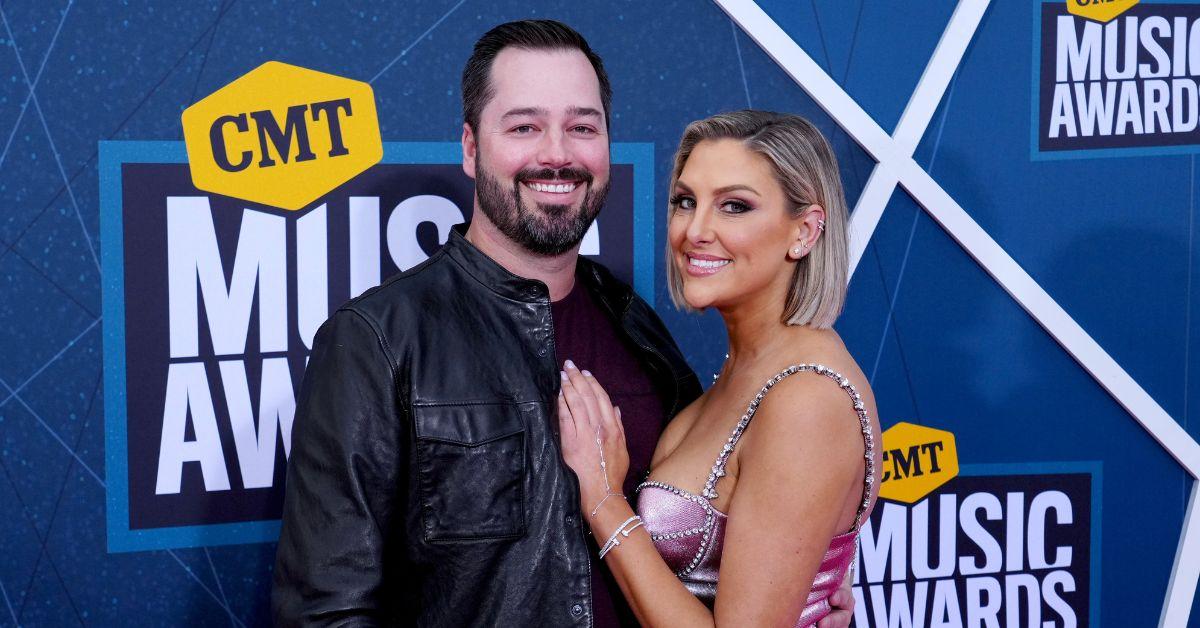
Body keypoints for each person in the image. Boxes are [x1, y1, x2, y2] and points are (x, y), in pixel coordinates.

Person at [273, 19, 856, 626]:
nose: (557, 153)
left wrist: (806, 590)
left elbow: (715, 536)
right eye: (525, 127)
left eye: (582, 127)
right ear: (471, 148)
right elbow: (324, 614)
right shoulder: (379, 341)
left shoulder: (636, 325)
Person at [557, 110, 882, 627]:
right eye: (686, 201)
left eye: (734, 206)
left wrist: (603, 499)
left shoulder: (807, 400)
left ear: (805, 230)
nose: (696, 230)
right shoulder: (738, 373)